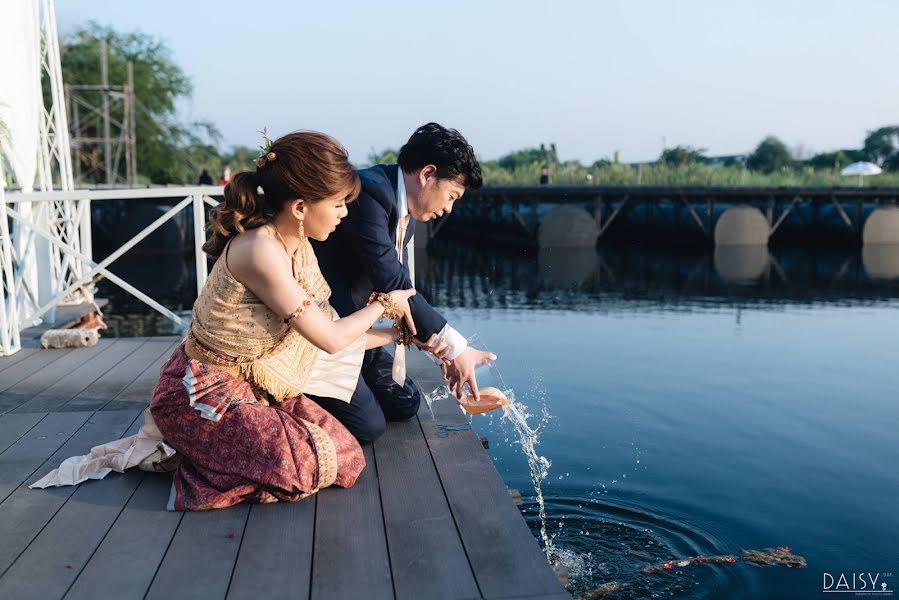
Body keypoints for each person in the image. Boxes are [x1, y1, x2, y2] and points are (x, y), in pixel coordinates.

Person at [30, 131, 418, 511]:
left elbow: (319, 335)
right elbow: (330, 339)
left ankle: (225, 454)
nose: (345, 214)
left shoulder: (296, 245)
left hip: (257, 385)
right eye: (338, 205)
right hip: (202, 394)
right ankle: (195, 455)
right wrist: (384, 304)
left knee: (346, 455)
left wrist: (392, 335)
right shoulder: (259, 250)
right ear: (300, 207)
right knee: (300, 465)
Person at [310, 123, 496, 443]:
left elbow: (402, 289)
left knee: (405, 402)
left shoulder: (401, 207)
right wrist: (457, 349)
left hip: (356, 326)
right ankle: (294, 397)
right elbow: (392, 281)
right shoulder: (369, 194)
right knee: (367, 426)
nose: (448, 209)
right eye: (451, 196)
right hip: (323, 328)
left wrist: (442, 355)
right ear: (427, 174)